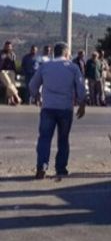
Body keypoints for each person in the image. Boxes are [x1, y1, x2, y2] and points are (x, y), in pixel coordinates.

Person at [28, 42, 86, 180]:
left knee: (44, 138)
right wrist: (82, 104)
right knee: (63, 139)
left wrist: (36, 96)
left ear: (54, 53)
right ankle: (61, 168)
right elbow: (81, 87)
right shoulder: (73, 68)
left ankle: (41, 166)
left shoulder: (45, 66)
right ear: (66, 53)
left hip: (48, 108)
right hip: (65, 108)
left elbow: (32, 85)